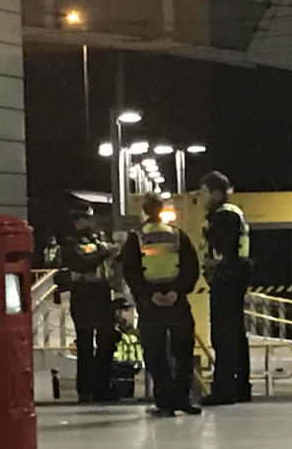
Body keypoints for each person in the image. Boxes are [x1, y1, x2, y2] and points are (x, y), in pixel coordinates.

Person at [123, 193, 202, 417]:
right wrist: (177, 291)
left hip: (151, 305)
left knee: (156, 352)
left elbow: (131, 271)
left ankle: (165, 402)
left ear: (145, 212)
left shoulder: (136, 237)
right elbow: (190, 267)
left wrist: (150, 295)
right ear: (161, 210)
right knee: (183, 351)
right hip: (177, 302)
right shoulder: (177, 235)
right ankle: (183, 399)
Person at [199, 171, 252, 406]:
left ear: (216, 192)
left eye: (204, 193)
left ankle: (224, 389)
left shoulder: (223, 217)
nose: (202, 198)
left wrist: (209, 231)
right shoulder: (233, 214)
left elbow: (221, 249)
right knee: (236, 335)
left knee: (224, 336)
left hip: (227, 279)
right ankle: (240, 386)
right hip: (235, 278)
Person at [63, 203, 121, 402]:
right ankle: (86, 389)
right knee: (85, 344)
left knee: (107, 339)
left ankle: (102, 386)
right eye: (86, 219)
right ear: (77, 221)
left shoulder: (97, 239)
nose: (90, 222)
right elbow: (82, 263)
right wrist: (106, 253)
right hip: (84, 295)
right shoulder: (71, 242)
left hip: (102, 294)